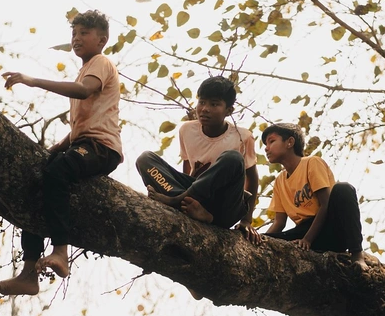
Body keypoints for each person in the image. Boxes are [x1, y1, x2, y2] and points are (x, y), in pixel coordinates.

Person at [0, 9, 124, 296]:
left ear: (102, 40)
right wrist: (54, 149)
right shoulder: (85, 69)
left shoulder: (101, 63)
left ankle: (61, 252)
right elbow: (81, 129)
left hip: (101, 149)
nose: (76, 38)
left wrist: (33, 81)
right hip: (83, 145)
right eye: (74, 33)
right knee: (36, 181)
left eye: (84, 33)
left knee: (57, 172)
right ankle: (29, 273)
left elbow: (83, 91)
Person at [135, 76, 260, 243]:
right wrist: (186, 195)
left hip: (225, 206)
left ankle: (181, 202)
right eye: (202, 102)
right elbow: (187, 168)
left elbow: (252, 178)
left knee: (233, 158)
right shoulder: (187, 130)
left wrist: (246, 220)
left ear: (229, 110)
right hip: (196, 198)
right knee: (145, 159)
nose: (205, 109)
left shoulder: (242, 136)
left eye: (214, 104)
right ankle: (183, 201)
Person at [261, 123, 367, 268]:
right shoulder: (279, 181)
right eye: (265, 144)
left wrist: (307, 239)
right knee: (269, 239)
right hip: (304, 231)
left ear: (290, 142)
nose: (266, 148)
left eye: (271, 141)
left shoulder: (312, 162)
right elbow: (279, 223)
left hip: (330, 226)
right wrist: (259, 239)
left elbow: (325, 204)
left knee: (343, 189)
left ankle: (357, 255)